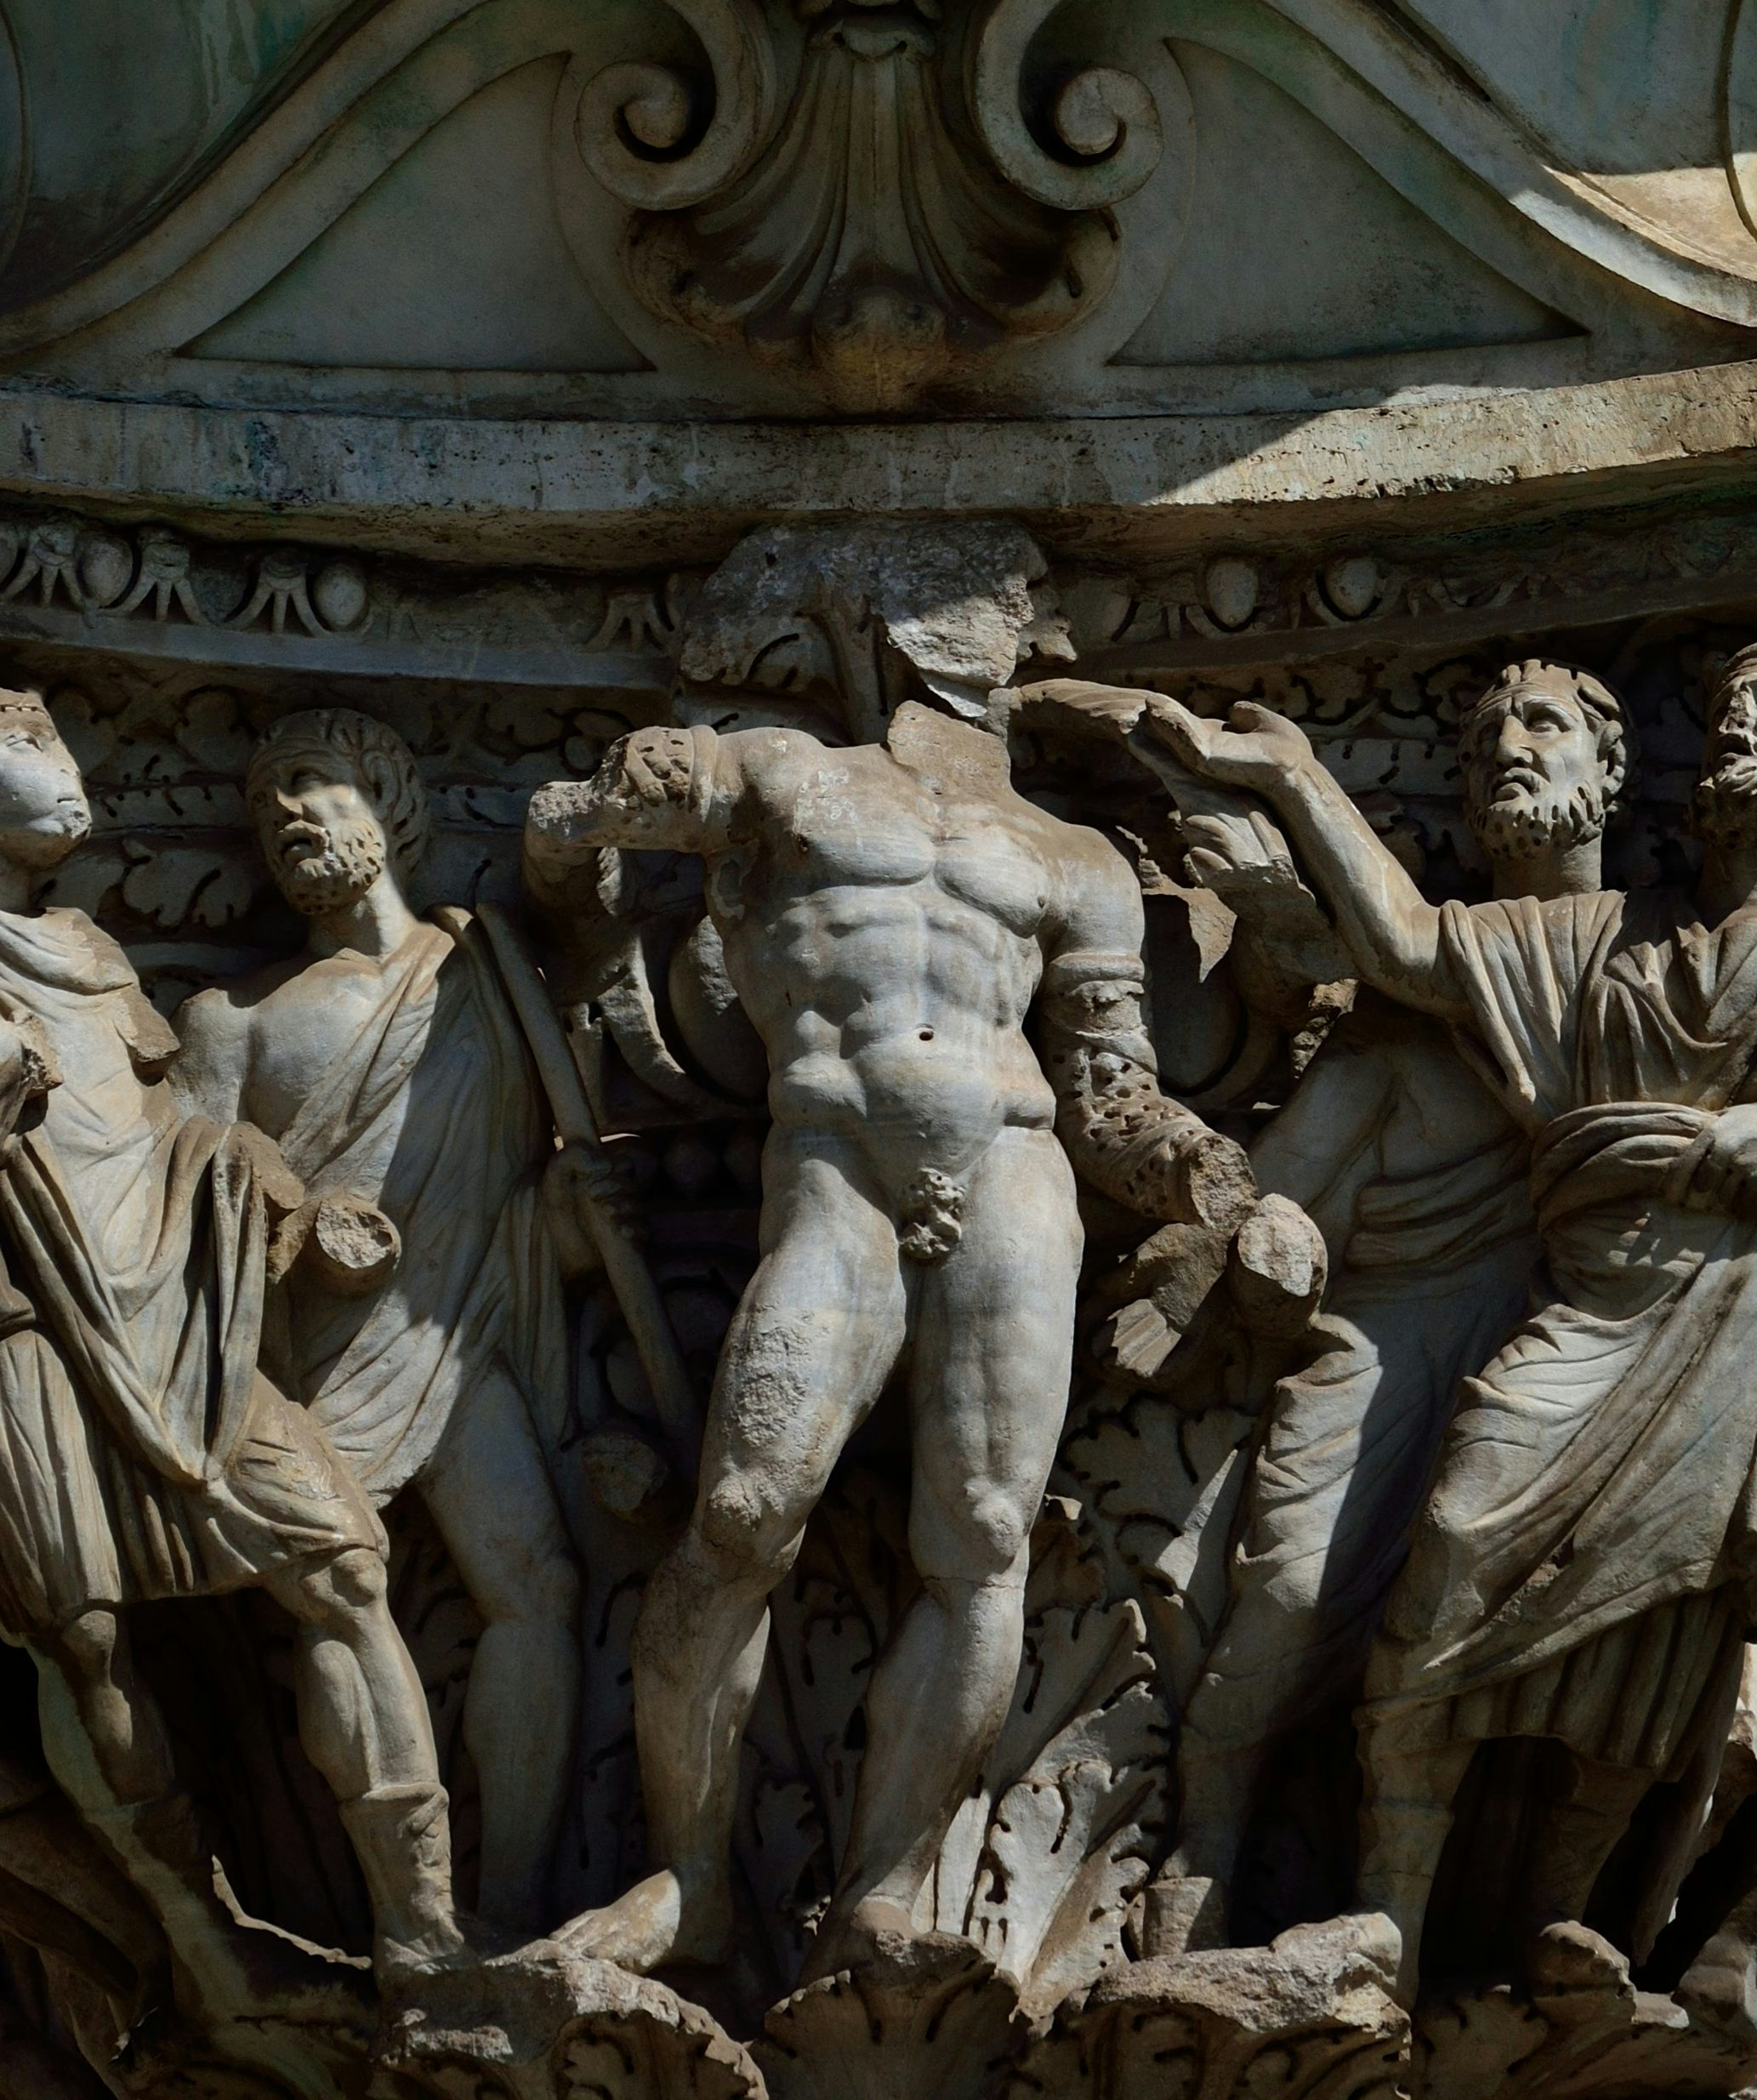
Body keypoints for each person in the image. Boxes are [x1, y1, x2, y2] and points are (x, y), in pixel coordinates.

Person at [1097, 634, 1757, 1995]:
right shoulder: (1618, 942)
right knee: (1449, 1556)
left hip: (1733, 1337)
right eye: (1730, 703)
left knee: (1650, 1656)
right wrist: (1292, 773)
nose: (1741, 725)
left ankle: (1552, 1945)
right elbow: (1396, 945)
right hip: (1590, 1320)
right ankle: (1383, 1914)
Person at [526, 687, 1266, 1988]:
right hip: (835, 1166)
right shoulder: (788, 767)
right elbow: (609, 825)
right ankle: (688, 1880)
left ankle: (887, 1893)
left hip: (1015, 1176)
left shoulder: (1073, 854)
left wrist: (1200, 1161)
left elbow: (1106, 1090)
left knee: (983, 1541)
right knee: (747, 1509)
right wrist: (588, 819)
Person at [0, 682, 467, 2036]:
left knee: (346, 1560)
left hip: (174, 1318)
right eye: (24, 746)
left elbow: (164, 1133)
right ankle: (207, 1950)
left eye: (56, 736)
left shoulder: (90, 949)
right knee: (82, 1647)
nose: (63, 768)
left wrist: (276, 1193)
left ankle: (423, 1932)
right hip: (27, 1335)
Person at [1140, 665, 1618, 1948]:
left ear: (1615, 773)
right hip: (1394, 1332)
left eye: (1546, 725)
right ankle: (1209, 1844)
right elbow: (1272, 1190)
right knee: (1291, 1592)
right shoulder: (1403, 1032)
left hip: (1592, 1338)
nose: (1512, 751)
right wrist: (1257, 1244)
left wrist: (1292, 770)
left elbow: (1403, 944)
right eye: (1485, 740)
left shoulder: (1652, 960)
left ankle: (1467, 1916)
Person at [177, 707, 604, 1937]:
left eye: (317, 787)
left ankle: (519, 1902)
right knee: (326, 1604)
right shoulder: (236, 1019)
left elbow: (517, 1182)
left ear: (392, 801)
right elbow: (183, 1211)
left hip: (463, 1335)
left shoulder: (490, 970)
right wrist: (292, 1232)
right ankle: (397, 1918)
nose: (295, 819)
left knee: (539, 1582)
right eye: (271, 811)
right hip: (306, 1364)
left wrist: (565, 1223)